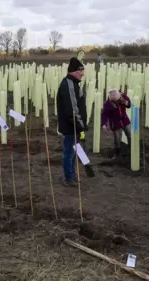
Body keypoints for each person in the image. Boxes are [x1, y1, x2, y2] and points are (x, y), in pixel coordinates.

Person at [56, 57, 87, 187]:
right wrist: (80, 125)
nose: (83, 74)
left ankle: (72, 176)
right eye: (81, 71)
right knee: (69, 153)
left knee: (74, 152)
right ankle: (68, 178)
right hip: (70, 126)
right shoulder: (68, 84)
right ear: (74, 71)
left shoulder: (73, 83)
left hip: (74, 125)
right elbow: (72, 109)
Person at [101, 89, 132, 159]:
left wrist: (127, 103)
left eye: (118, 99)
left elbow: (129, 104)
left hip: (124, 119)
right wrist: (104, 124)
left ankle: (131, 150)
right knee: (117, 138)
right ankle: (117, 153)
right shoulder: (107, 104)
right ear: (112, 99)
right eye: (115, 100)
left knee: (130, 134)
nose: (117, 101)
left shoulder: (123, 97)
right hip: (115, 122)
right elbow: (104, 114)